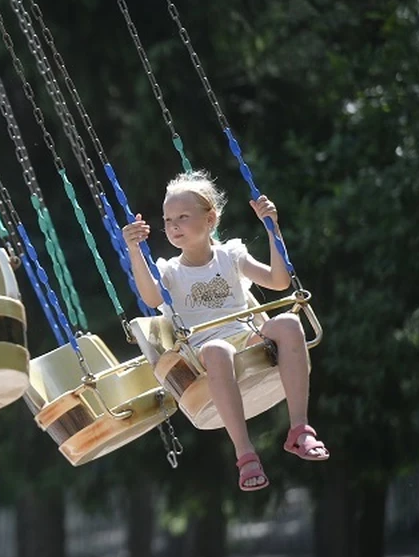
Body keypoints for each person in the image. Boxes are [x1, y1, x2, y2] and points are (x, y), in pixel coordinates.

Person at [122, 171, 329, 492]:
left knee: (288, 322)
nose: (173, 225)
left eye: (183, 217)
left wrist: (272, 230)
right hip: (205, 349)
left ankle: (300, 429)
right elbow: (150, 298)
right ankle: (245, 454)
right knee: (219, 350)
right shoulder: (170, 272)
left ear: (210, 219)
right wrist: (134, 250)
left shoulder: (231, 256)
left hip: (245, 335)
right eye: (168, 219)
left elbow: (279, 281)